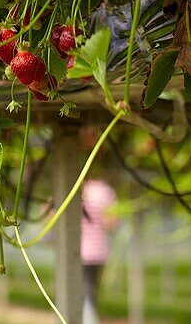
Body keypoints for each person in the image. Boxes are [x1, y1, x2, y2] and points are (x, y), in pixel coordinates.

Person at [79, 127, 117, 324]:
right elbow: (112, 222)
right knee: (91, 291)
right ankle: (90, 318)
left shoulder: (77, 190)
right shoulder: (106, 191)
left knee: (82, 293)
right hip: (99, 251)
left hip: (80, 251)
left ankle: (87, 320)